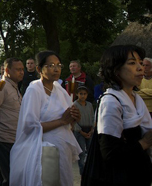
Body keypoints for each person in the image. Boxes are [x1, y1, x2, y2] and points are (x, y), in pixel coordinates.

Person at [10, 50, 81, 186]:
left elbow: (69, 120)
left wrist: (75, 117)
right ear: (39, 69)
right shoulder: (34, 90)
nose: (56, 69)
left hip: (62, 148)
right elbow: (30, 126)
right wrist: (61, 121)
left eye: (59, 65)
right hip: (44, 151)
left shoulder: (60, 89)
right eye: (50, 65)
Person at [86, 45, 152, 185]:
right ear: (116, 70)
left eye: (140, 63)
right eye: (132, 63)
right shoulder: (111, 102)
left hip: (137, 175)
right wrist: (144, 142)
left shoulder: (136, 98)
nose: (140, 68)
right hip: (118, 179)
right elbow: (110, 154)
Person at [0, 57, 23, 186]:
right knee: (11, 176)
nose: (21, 72)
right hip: (3, 137)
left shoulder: (14, 87)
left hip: (13, 137)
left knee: (3, 176)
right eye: (18, 69)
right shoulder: (1, 86)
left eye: (22, 69)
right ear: (7, 70)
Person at [73, 86, 94, 176]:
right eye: (81, 94)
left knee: (90, 152)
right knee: (81, 152)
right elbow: (73, 121)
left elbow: (93, 118)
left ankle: (90, 171)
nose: (83, 96)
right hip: (80, 131)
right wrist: (81, 132)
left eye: (84, 94)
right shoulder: (74, 105)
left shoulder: (89, 105)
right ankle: (82, 172)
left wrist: (92, 130)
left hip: (89, 130)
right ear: (77, 94)